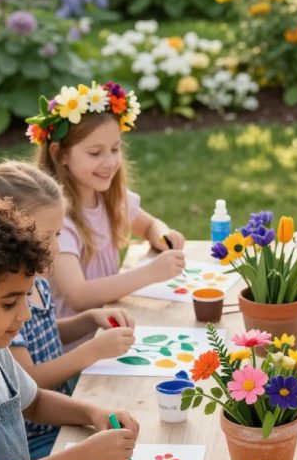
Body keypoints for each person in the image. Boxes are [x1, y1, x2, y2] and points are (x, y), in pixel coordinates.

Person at [0, 193, 138, 460]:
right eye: (9, 304)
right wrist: (83, 457)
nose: (24, 314)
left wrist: (92, 412)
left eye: (26, 297)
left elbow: (34, 401)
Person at [26, 80, 186, 340]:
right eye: (95, 152)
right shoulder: (59, 221)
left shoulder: (108, 198)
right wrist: (150, 273)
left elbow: (147, 225)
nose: (110, 161)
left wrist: (163, 234)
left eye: (115, 149)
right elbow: (78, 295)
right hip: (77, 347)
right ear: (60, 154)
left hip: (111, 330)